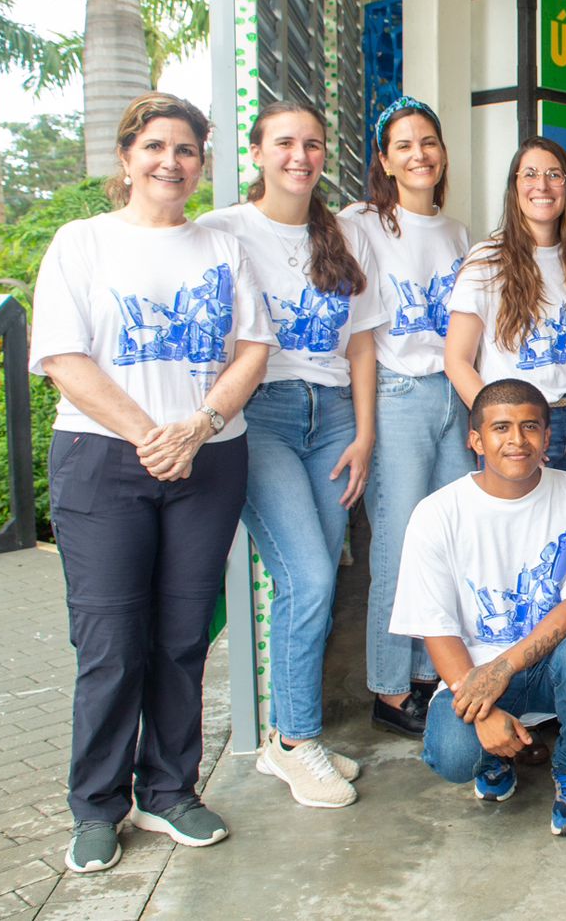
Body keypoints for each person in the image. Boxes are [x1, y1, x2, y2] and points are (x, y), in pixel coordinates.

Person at [32, 92, 272, 873]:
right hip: (104, 462)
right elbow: (65, 358)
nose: (171, 162)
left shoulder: (222, 249)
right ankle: (96, 806)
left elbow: (251, 351)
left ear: (202, 164)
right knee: (110, 642)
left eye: (187, 150)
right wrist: (150, 436)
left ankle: (170, 789)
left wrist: (196, 427)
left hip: (209, 460)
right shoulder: (82, 243)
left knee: (180, 638)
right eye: (156, 147)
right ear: (127, 156)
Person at [201, 102, 382, 807]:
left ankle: (291, 733)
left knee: (314, 585)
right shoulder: (223, 231)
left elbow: (361, 343)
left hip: (334, 418)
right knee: (307, 575)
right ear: (256, 152)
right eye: (284, 143)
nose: (299, 156)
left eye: (312, 143)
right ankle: (296, 740)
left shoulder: (340, 235)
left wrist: (365, 434)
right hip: (260, 416)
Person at [390, 379, 566, 836]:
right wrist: (483, 707)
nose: (517, 440)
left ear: (547, 437)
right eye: (500, 428)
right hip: (472, 674)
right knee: (454, 757)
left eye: (530, 427)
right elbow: (437, 628)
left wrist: (502, 669)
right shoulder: (437, 513)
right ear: (475, 439)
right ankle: (495, 758)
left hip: (552, 665)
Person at [341, 96, 473, 741]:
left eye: (428, 142)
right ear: (385, 161)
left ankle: (429, 674)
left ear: (442, 153)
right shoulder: (360, 224)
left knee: (444, 542)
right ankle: (390, 689)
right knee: (395, 547)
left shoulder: (455, 232)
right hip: (397, 394)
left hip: (455, 395)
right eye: (403, 145)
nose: (418, 154)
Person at [446, 136, 566, 482]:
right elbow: (456, 360)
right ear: (514, 186)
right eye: (529, 174)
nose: (542, 185)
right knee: (519, 531)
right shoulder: (486, 260)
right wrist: (502, 427)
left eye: (554, 175)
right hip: (521, 425)